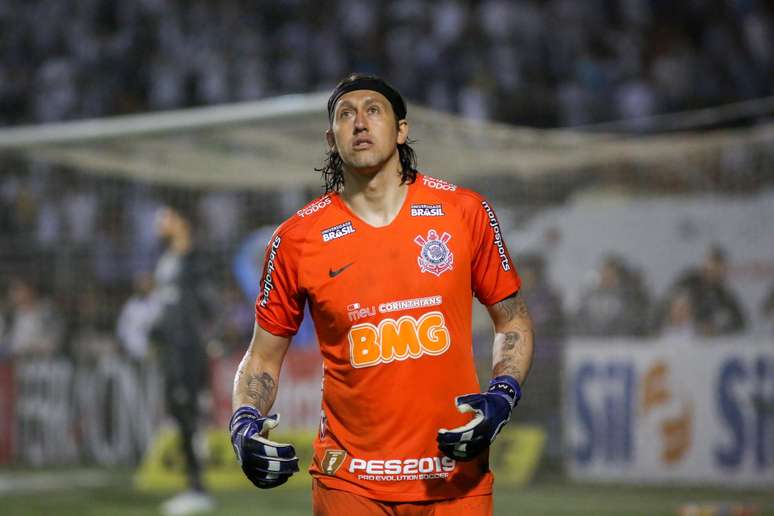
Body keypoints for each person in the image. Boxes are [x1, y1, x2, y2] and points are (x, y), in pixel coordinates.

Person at [229, 73, 534, 515]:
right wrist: (243, 424)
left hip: (456, 477)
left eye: (373, 110)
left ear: (401, 129)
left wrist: (503, 392)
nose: (359, 122)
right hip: (349, 482)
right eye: (345, 114)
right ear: (331, 138)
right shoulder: (296, 239)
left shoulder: (464, 213)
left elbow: (513, 319)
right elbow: (262, 356)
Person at [149, 201, 215, 516]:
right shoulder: (166, 259)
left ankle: (197, 487)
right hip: (170, 348)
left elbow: (206, 306)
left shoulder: (195, 260)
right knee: (177, 411)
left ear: (182, 221)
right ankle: (193, 483)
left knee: (187, 410)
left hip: (187, 348)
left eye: (166, 215)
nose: (160, 220)